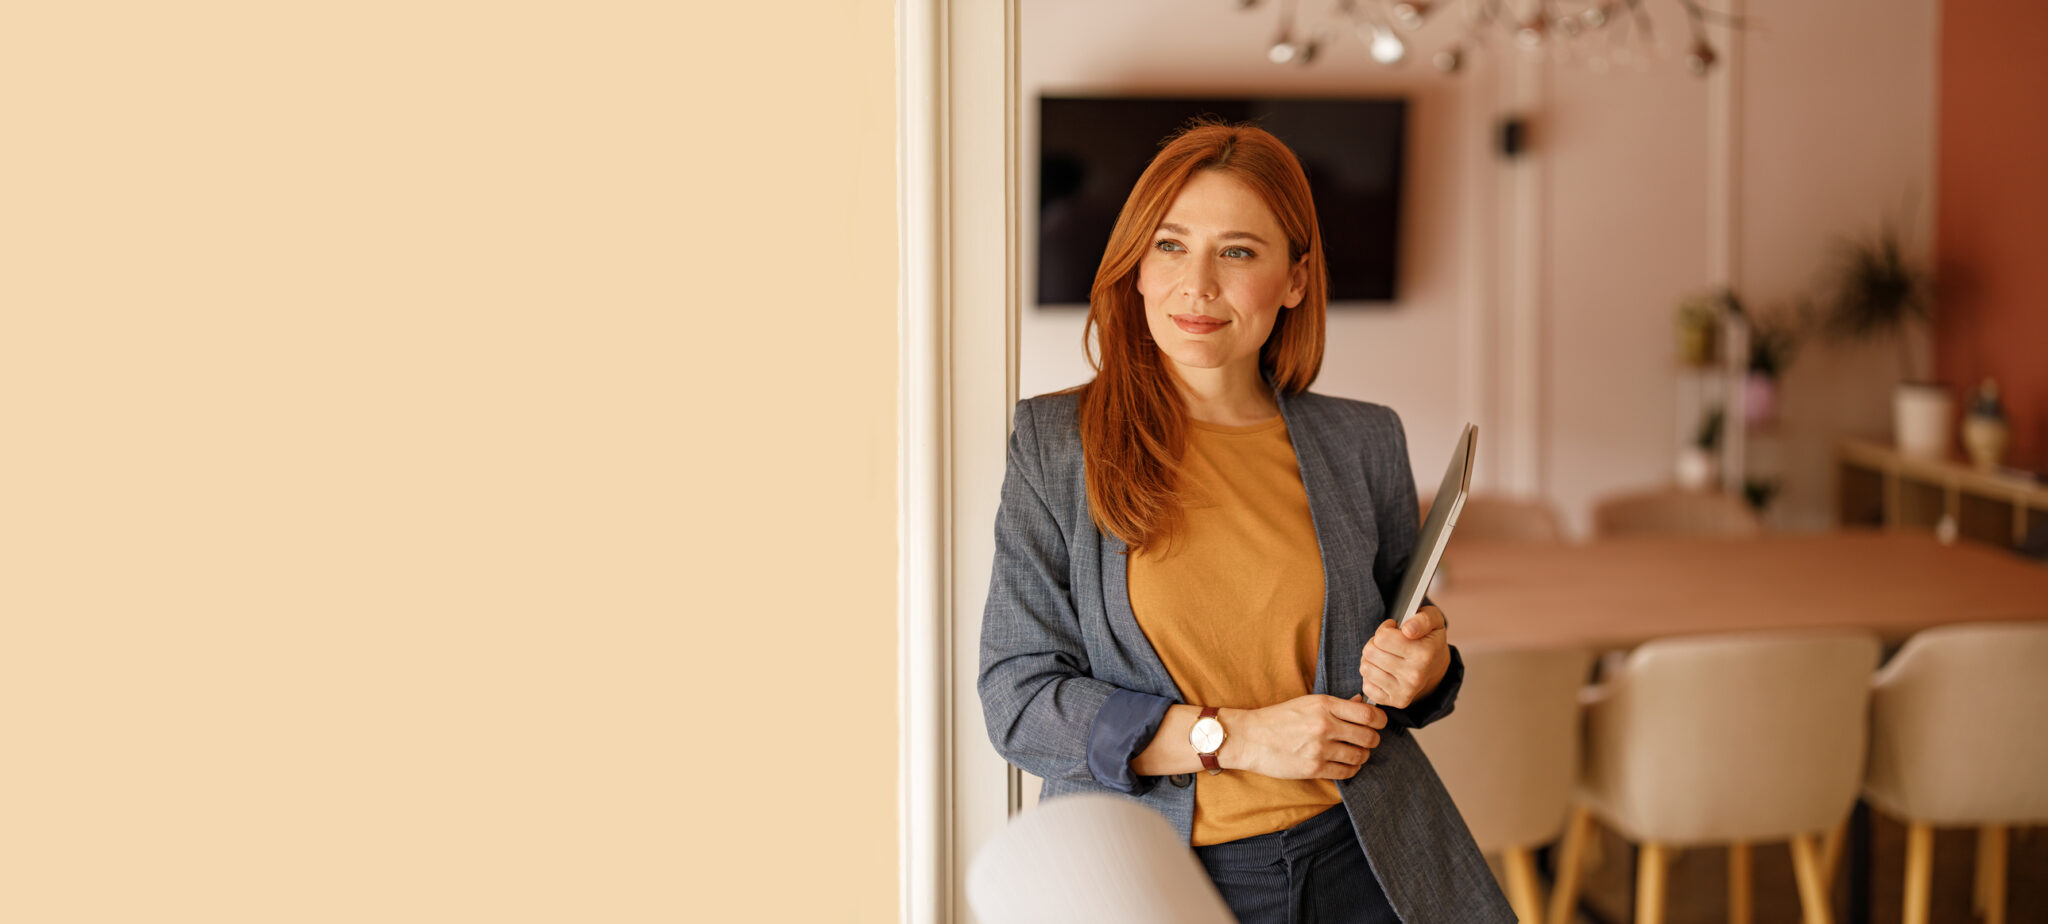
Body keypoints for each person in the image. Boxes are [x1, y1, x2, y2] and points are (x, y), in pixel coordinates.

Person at [978, 121, 1513, 923]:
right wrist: (1234, 737)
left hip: (1366, 858)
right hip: (1168, 879)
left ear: (1295, 279)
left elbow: (1403, 669)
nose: (1196, 285)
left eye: (1236, 252)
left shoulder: (1364, 440)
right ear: (1135, 267)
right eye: (1169, 246)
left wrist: (1423, 669)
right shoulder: (1057, 445)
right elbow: (1019, 703)